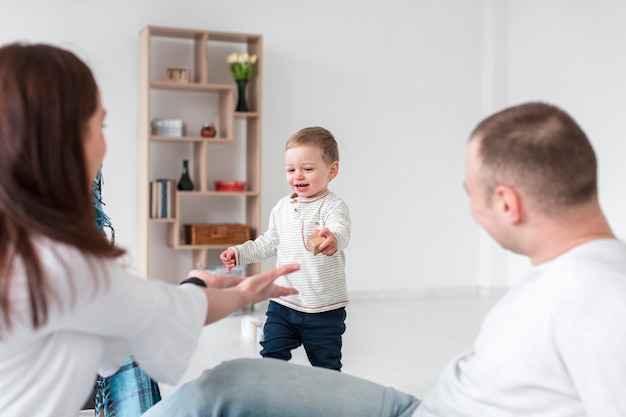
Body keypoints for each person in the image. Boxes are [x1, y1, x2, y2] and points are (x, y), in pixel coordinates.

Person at [145, 101, 626, 417]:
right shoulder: (579, 275)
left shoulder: (600, 299)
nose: (471, 206)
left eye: (470, 193)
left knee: (220, 394)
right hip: (418, 405)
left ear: (506, 204)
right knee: (234, 379)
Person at [0, 42, 299, 417]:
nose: (104, 145)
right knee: (229, 385)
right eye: (100, 124)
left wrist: (197, 285)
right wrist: (236, 292)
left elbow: (133, 318)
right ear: (64, 142)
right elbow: (158, 316)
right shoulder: (64, 265)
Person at [220, 126, 351, 371]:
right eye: (291, 170)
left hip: (323, 309)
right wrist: (239, 253)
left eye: (308, 169)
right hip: (284, 304)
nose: (297, 176)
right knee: (271, 355)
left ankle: (329, 402)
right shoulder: (282, 207)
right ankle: (271, 396)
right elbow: (268, 242)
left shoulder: (333, 206)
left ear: (332, 170)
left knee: (326, 367)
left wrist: (333, 238)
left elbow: (341, 230)